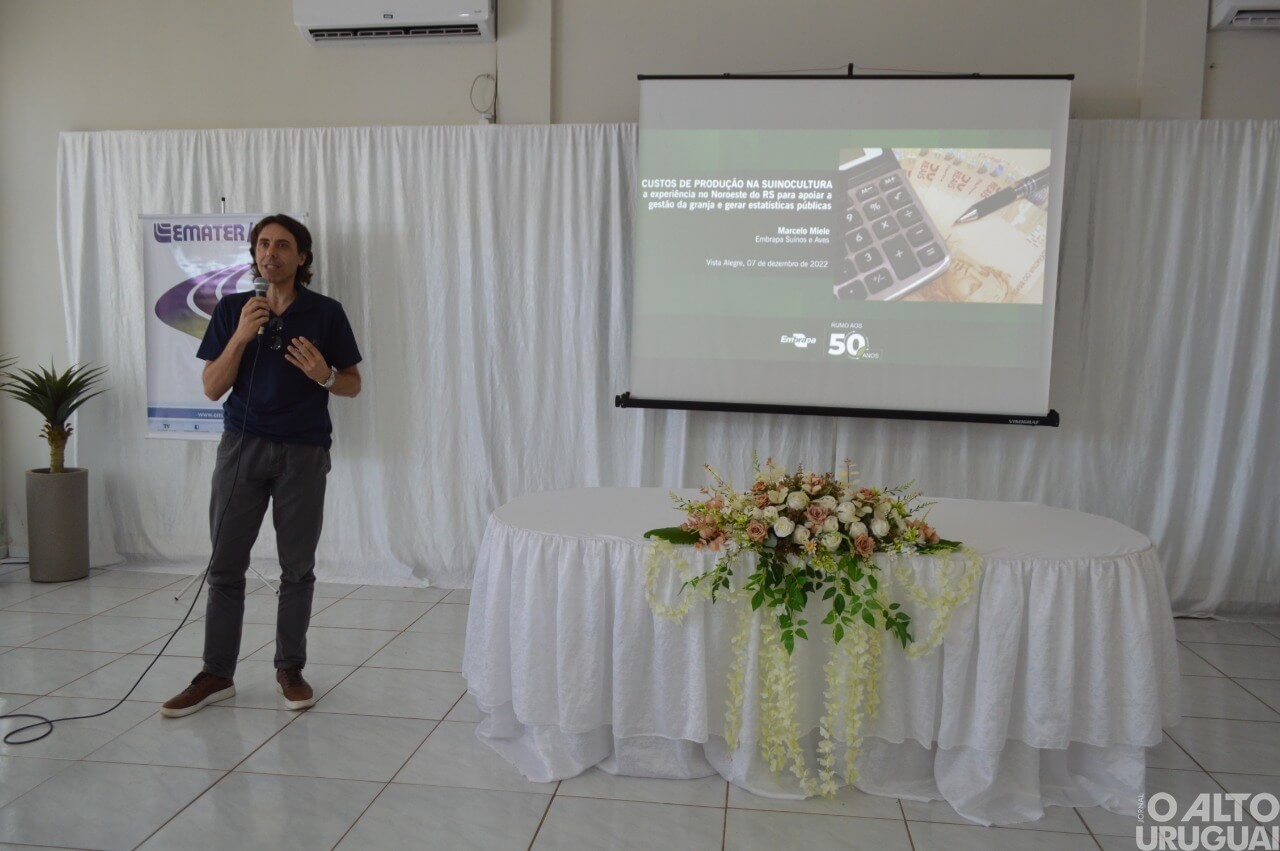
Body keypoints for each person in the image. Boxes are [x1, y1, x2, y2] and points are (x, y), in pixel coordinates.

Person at [161, 213, 362, 717]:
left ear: (302, 257)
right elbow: (211, 388)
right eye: (263, 245)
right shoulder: (233, 310)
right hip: (242, 448)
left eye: (282, 245)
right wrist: (239, 338)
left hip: (304, 452)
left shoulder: (326, 313)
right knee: (226, 565)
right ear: (254, 254)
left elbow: (352, 382)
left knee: (298, 568)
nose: (270, 253)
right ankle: (216, 674)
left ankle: (289, 667)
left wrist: (324, 376)